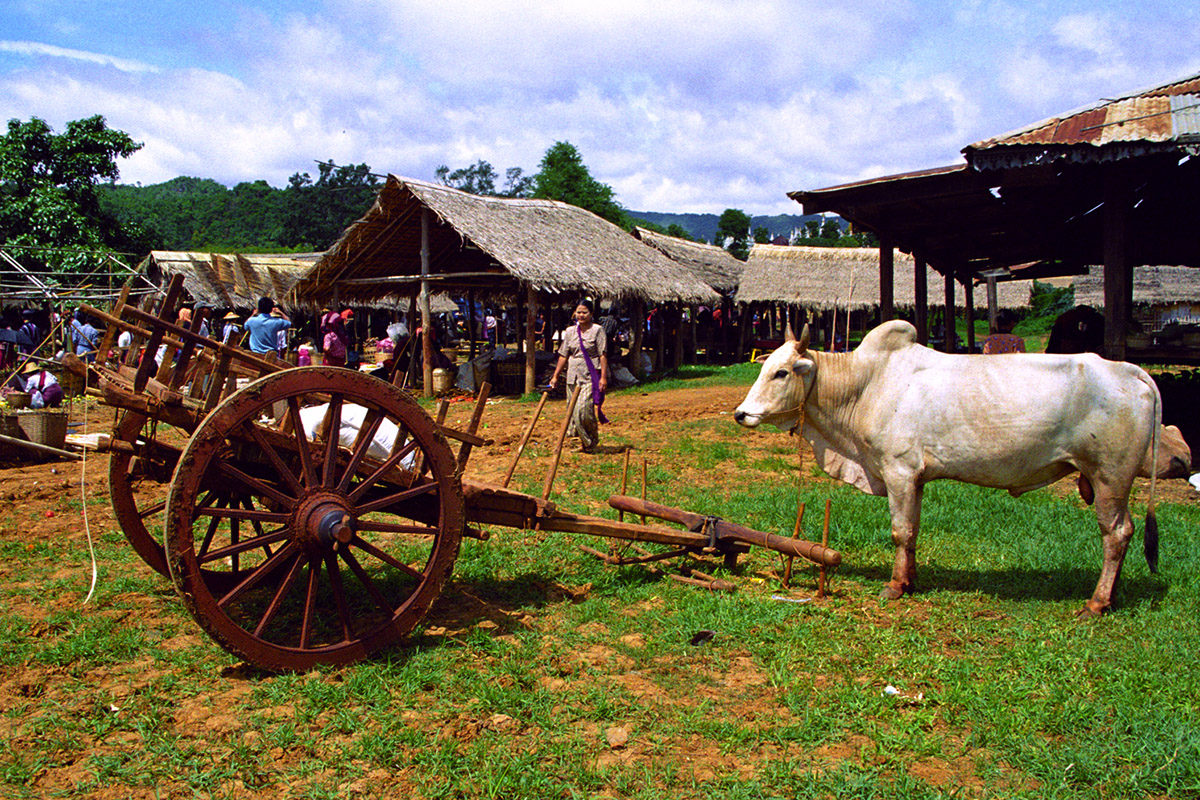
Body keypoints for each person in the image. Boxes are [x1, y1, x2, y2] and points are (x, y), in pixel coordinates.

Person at [547, 299, 610, 453]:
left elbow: (603, 354)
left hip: (590, 375)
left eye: (584, 312)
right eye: (578, 312)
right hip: (573, 375)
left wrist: (603, 377)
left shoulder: (597, 330)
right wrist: (555, 376)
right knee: (573, 412)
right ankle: (586, 444)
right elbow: (563, 355)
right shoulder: (569, 332)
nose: (581, 315)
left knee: (584, 410)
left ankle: (592, 440)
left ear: (591, 314)